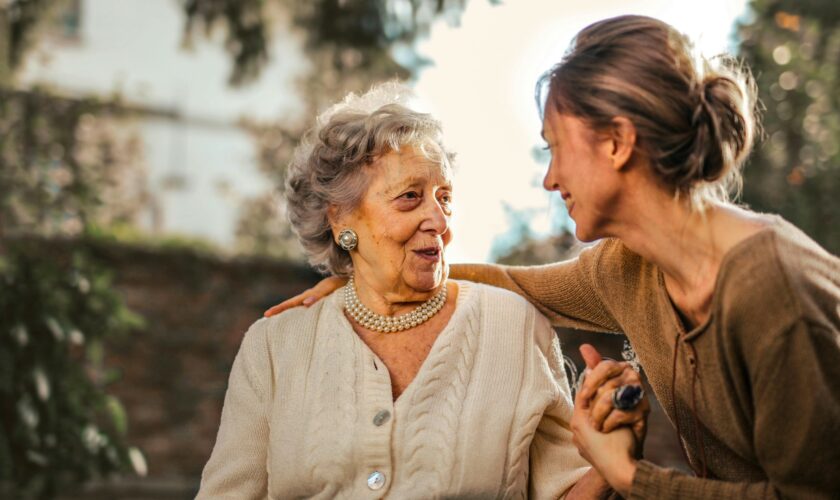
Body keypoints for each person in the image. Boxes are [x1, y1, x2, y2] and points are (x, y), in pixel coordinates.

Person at [265, 16, 840, 499]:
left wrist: (626, 474)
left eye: (556, 148)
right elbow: (516, 283)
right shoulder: (628, 268)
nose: (549, 178)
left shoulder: (773, 289)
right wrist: (368, 278)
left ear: (616, 143)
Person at [197, 83, 610, 498]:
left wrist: (611, 463)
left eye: (444, 198)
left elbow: (565, 489)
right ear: (341, 220)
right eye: (410, 197)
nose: (438, 219)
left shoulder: (515, 327)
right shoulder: (273, 345)